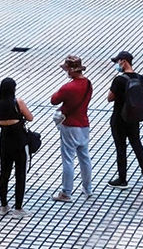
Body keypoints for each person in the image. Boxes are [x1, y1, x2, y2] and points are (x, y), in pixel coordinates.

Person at [106, 51, 143, 188]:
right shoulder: (140, 78)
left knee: (121, 148)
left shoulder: (119, 80)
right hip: (133, 118)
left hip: (119, 118)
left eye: (117, 62)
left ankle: (122, 179)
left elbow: (109, 98)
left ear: (124, 61)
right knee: (137, 145)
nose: (116, 64)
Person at [51, 55, 93, 202]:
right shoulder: (88, 84)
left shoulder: (68, 87)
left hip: (70, 126)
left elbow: (53, 100)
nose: (66, 72)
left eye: (67, 69)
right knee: (85, 157)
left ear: (72, 70)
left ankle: (66, 192)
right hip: (84, 124)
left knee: (68, 159)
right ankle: (88, 188)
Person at [0, 78, 34, 218]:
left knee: (4, 172)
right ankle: (18, 207)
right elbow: (30, 117)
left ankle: (3, 205)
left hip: (4, 140)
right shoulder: (18, 102)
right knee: (20, 173)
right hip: (19, 140)